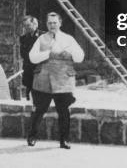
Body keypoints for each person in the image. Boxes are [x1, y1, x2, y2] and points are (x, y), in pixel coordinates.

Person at [27, 12, 84, 150]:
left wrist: (70, 54)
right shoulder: (41, 38)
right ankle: (32, 136)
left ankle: (64, 140)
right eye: (49, 23)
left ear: (60, 23)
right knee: (39, 109)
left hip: (63, 80)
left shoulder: (68, 39)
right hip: (44, 79)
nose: (52, 25)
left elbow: (80, 57)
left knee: (64, 111)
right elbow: (32, 57)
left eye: (55, 23)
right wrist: (48, 54)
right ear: (46, 24)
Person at [19, 16, 41, 100]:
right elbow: (23, 53)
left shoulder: (42, 36)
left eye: (28, 25)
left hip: (39, 68)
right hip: (28, 68)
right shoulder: (24, 38)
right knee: (28, 90)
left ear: (34, 24)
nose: (26, 28)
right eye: (25, 26)